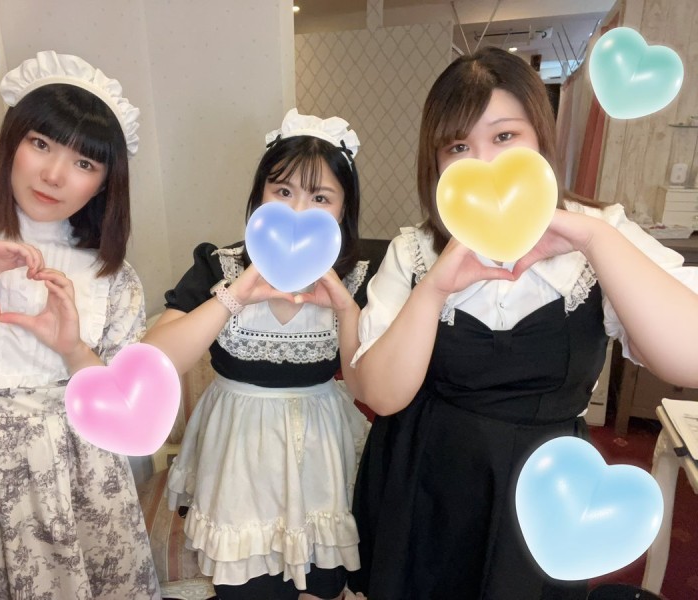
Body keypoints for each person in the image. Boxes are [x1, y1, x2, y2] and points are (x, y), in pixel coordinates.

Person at [348, 47, 698, 600]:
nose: (483, 164)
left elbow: (690, 357)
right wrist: (434, 288)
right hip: (428, 482)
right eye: (458, 147)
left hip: (548, 494)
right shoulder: (415, 251)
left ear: (540, 139)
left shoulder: (600, 232)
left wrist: (593, 239)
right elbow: (380, 395)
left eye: (505, 136)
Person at [0, 51, 160, 598]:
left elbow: (128, 422)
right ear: (11, 141)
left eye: (84, 164)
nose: (54, 175)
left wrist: (73, 349)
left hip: (76, 497)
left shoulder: (112, 280)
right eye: (41, 144)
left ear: (104, 184)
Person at [142, 108, 374, 600]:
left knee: (322, 586)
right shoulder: (220, 266)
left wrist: (345, 307)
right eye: (283, 191)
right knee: (246, 588)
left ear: (343, 210)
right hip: (237, 460)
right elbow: (155, 360)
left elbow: (365, 387)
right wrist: (238, 294)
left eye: (320, 197)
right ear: (260, 195)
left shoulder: (358, 280)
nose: (297, 211)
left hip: (320, 459)